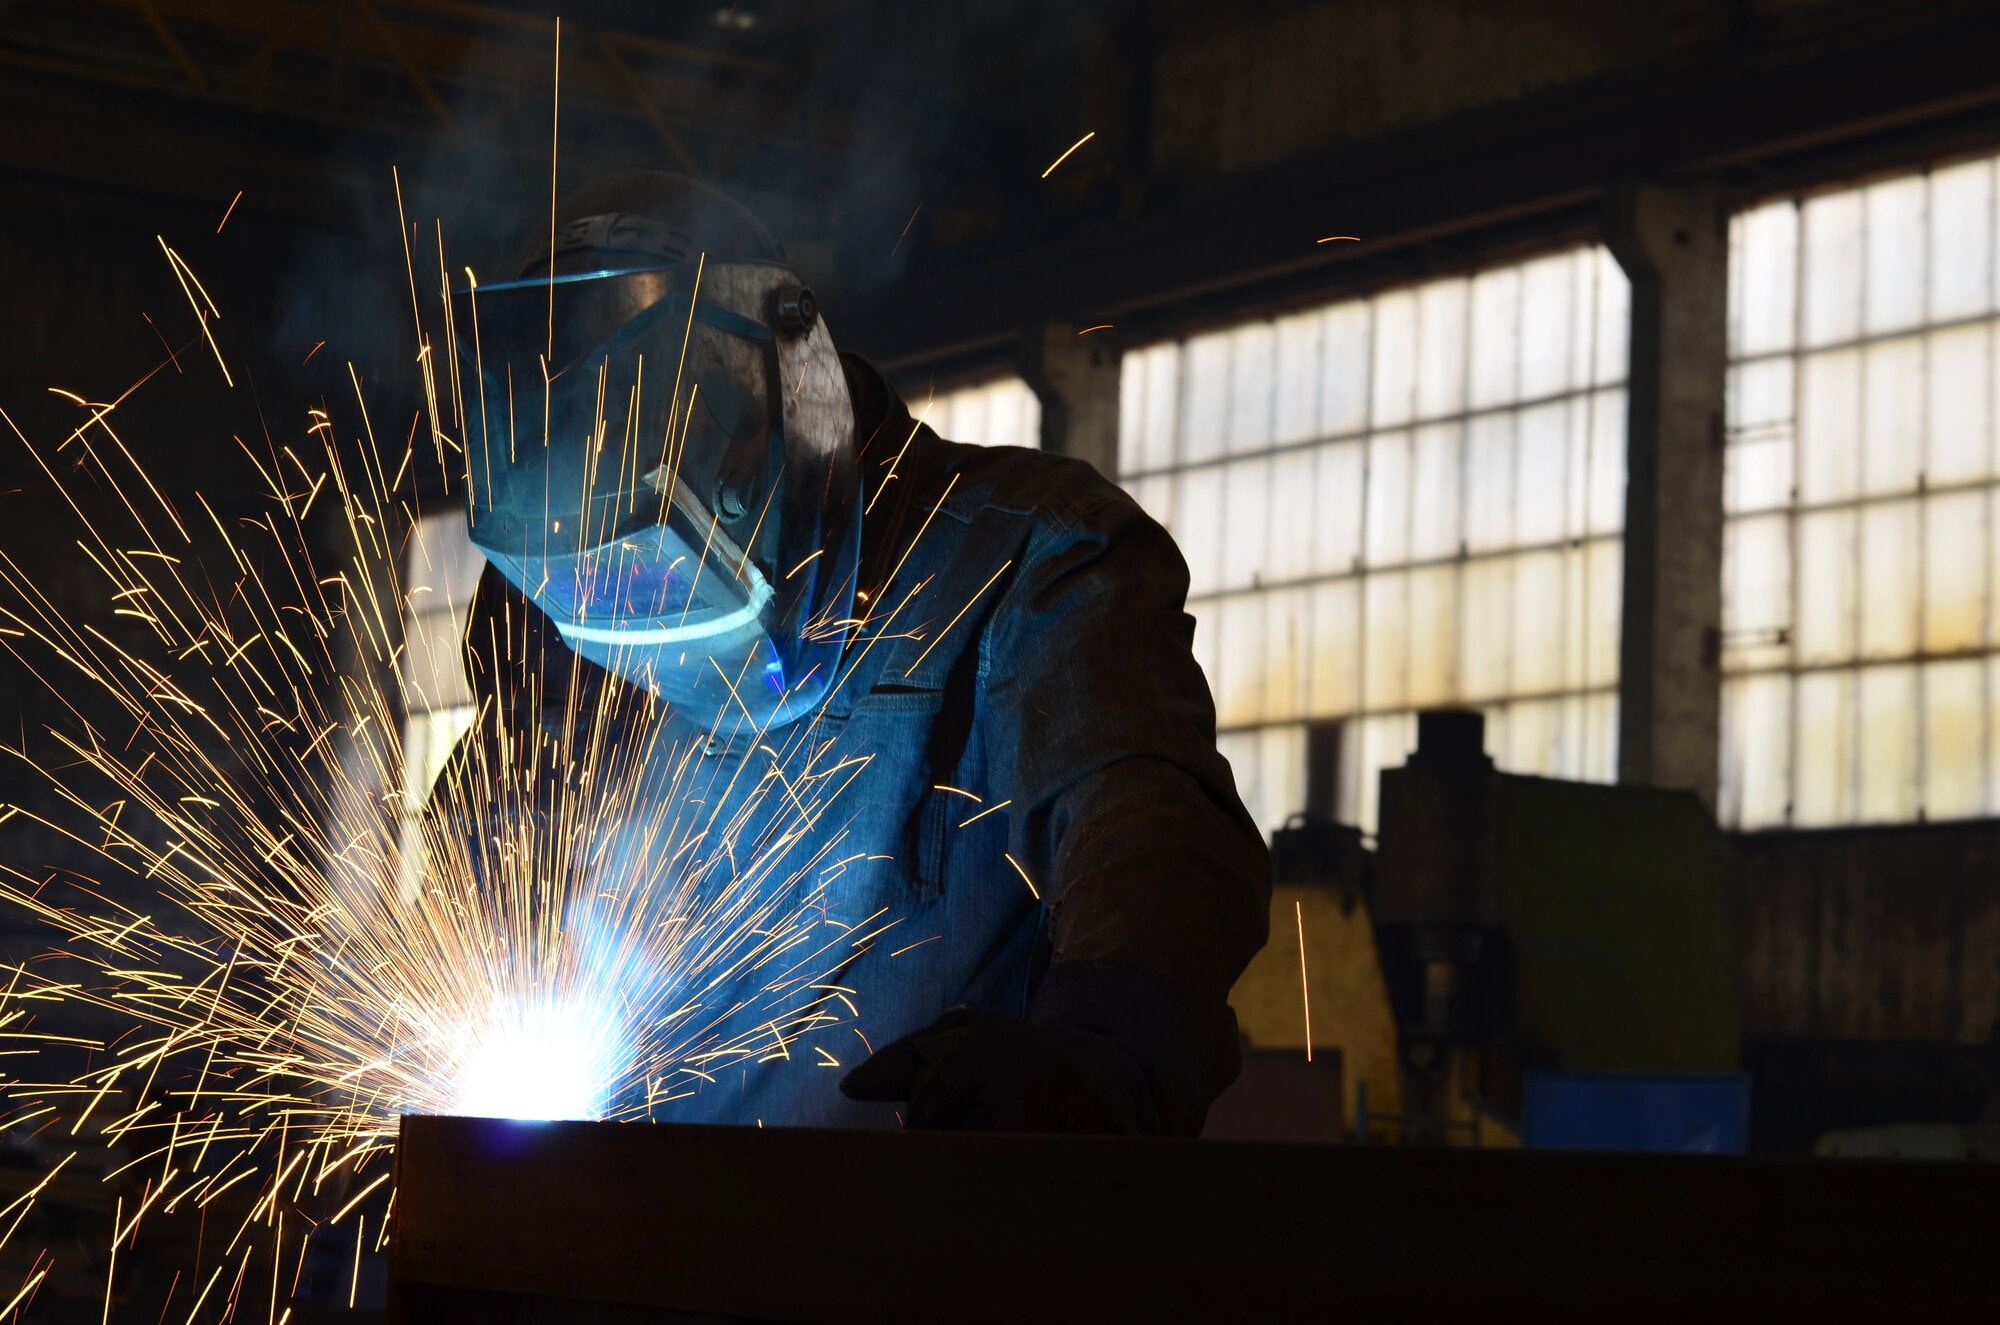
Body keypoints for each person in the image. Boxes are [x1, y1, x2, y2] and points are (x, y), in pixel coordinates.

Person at [448, 170, 1270, 1134]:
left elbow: (1147, 834)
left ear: (787, 392)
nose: (653, 620)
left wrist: (1101, 1052)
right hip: (647, 1232)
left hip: (919, 1245)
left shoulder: (1030, 557)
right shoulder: (577, 587)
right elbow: (494, 860)